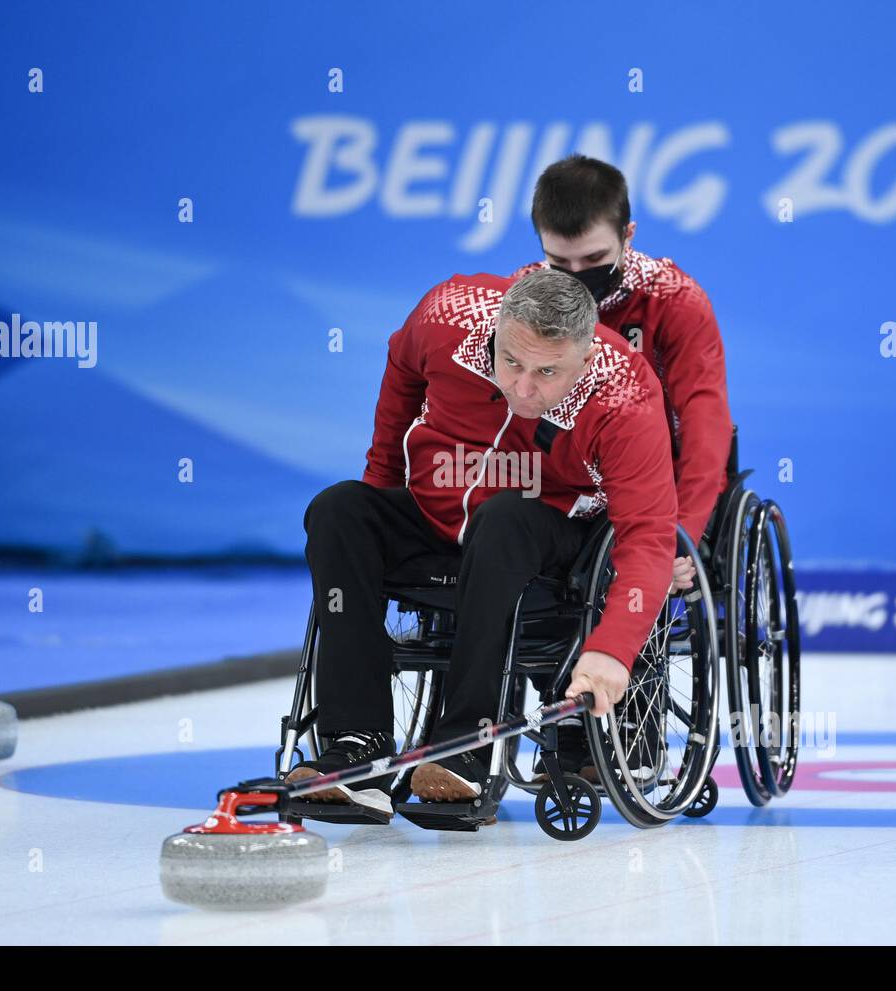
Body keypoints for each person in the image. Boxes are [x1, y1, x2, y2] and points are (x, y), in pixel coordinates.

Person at [288, 268, 678, 821]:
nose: (522, 387)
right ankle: (356, 743)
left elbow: (649, 535)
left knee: (502, 519)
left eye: (547, 372)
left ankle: (464, 747)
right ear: (495, 330)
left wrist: (613, 648)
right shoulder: (445, 314)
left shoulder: (626, 393)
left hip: (549, 527)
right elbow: (401, 368)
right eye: (511, 361)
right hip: (437, 510)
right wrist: (380, 488)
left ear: (586, 359)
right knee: (339, 510)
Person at [513, 154, 734, 780]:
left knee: (627, 557)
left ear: (628, 237)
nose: (577, 281)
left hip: (657, 482)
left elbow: (705, 424)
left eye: (595, 264)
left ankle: (624, 734)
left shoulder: (676, 301)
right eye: (561, 266)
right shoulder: (526, 297)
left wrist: (678, 537)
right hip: (566, 479)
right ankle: (552, 724)